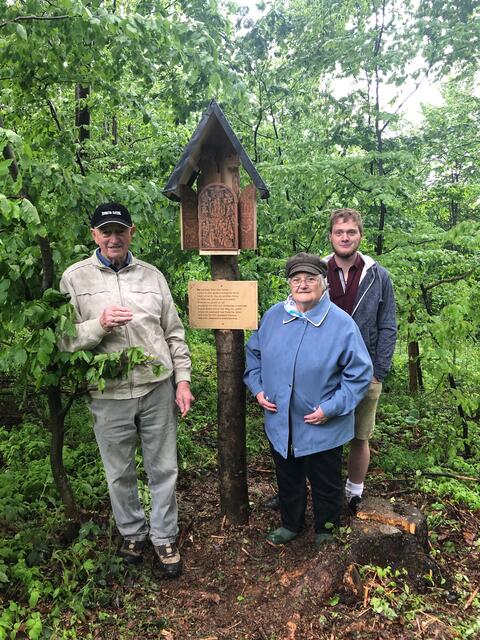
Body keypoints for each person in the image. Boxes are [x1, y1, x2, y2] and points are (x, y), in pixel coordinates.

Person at [59, 202, 194, 578]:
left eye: (120, 230)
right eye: (106, 232)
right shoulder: (75, 278)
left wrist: (182, 379)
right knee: (119, 473)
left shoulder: (152, 277)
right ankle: (132, 534)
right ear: (94, 236)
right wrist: (98, 325)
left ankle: (164, 536)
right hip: (108, 394)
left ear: (131, 233)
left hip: (156, 389)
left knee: (164, 467)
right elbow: (64, 339)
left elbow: (173, 332)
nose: (113, 238)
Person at [244, 253, 372, 546]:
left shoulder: (341, 325)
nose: (303, 285)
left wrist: (331, 408)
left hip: (321, 424)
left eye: (310, 278)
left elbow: (360, 374)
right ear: (289, 283)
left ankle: (326, 529)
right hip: (281, 420)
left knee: (325, 480)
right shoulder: (275, 316)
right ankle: (291, 524)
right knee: (288, 477)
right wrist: (258, 387)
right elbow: (254, 355)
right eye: (296, 279)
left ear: (324, 283)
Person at [326, 208, 397, 514]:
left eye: (351, 232)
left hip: (365, 370)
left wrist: (378, 370)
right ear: (331, 236)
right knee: (323, 432)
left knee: (360, 433)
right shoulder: (316, 271)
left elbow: (388, 324)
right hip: (324, 370)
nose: (345, 237)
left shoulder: (378, 275)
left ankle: (354, 492)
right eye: (339, 232)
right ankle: (324, 491)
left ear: (360, 235)